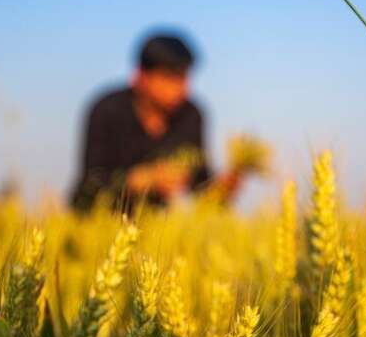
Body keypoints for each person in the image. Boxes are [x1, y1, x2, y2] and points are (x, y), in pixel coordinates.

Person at [70, 32, 242, 212]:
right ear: (140, 77)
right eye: (170, 78)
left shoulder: (192, 115)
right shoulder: (106, 109)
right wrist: (143, 179)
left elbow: (199, 183)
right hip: (99, 218)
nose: (182, 88)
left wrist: (222, 188)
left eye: (184, 78)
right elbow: (91, 184)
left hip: (157, 221)